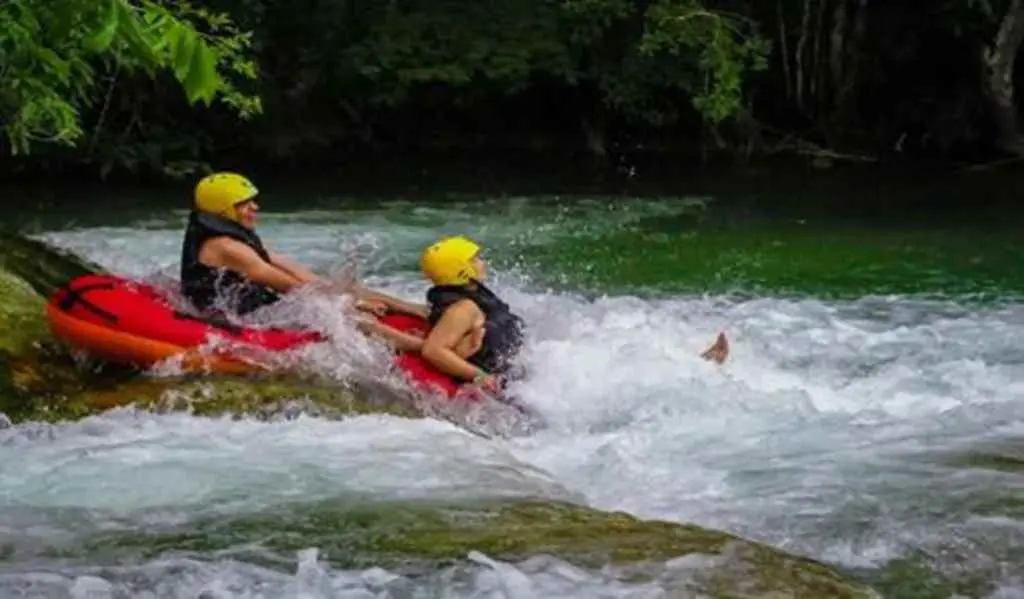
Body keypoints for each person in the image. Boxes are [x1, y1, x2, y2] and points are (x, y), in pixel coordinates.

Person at [179, 171, 425, 350]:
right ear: (224, 210)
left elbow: (300, 274)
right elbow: (290, 287)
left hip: (253, 300)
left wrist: (346, 292)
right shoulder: (227, 247)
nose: (255, 207)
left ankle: (414, 310)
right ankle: (418, 348)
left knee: (334, 286)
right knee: (337, 312)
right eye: (245, 204)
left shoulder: (236, 238)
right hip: (232, 315)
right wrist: (353, 304)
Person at [417, 236, 527, 394]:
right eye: (474, 260)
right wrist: (482, 378)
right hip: (492, 379)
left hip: (509, 367)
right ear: (461, 270)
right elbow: (433, 350)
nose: (482, 263)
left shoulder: (471, 293)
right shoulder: (463, 309)